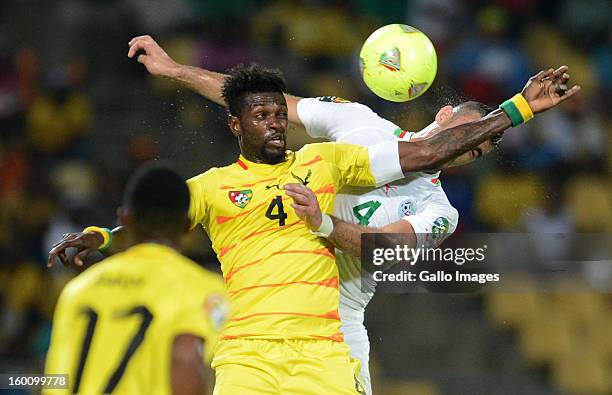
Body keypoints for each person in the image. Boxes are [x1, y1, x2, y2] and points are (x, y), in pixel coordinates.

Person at [49, 50, 577, 394]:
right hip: (262, 322)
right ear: (441, 119)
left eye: (481, 148)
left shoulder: (440, 210)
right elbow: (264, 104)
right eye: (469, 134)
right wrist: (175, 71)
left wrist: (325, 224)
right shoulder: (359, 124)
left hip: (337, 330)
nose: (470, 149)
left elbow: (381, 252)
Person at [44, 164, 229, 395]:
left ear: (124, 218)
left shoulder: (78, 289)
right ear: (187, 227)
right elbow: (184, 359)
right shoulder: (203, 291)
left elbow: (57, 375)